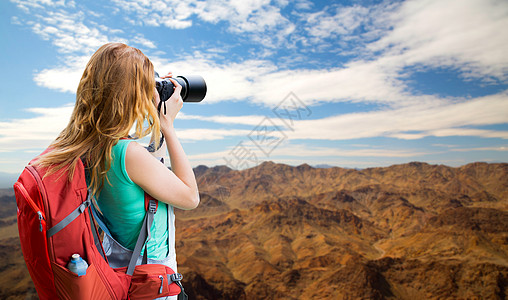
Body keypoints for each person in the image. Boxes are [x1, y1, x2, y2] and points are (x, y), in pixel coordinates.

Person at [35, 42, 199, 299]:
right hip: (152, 284)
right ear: (131, 93)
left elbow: (151, 177)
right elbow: (190, 197)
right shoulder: (129, 154)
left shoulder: (90, 148)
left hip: (120, 274)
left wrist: (157, 122)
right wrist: (168, 126)